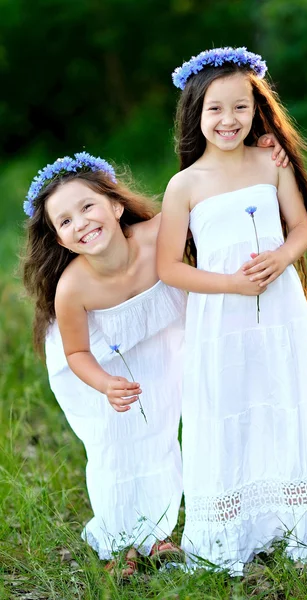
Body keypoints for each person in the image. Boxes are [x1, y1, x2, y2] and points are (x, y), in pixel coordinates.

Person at [21, 145, 285, 575]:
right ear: (57, 238)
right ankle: (120, 542)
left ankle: (156, 534)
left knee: (160, 429)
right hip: (97, 365)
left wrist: (257, 152)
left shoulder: (159, 235)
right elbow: (76, 352)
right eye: (65, 221)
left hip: (161, 341)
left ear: (116, 204)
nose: (81, 223)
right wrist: (105, 384)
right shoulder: (73, 288)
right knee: (117, 445)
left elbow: (213, 199)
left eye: (88, 206)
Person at [157, 47, 307, 575]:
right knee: (232, 404)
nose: (229, 120)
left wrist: (281, 258)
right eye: (215, 109)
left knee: (282, 397)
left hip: (280, 313)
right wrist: (230, 284)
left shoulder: (271, 162)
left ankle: (297, 519)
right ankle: (233, 529)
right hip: (222, 319)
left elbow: (302, 230)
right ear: (196, 115)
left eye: (240, 108)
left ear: (256, 109)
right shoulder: (185, 185)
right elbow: (170, 267)